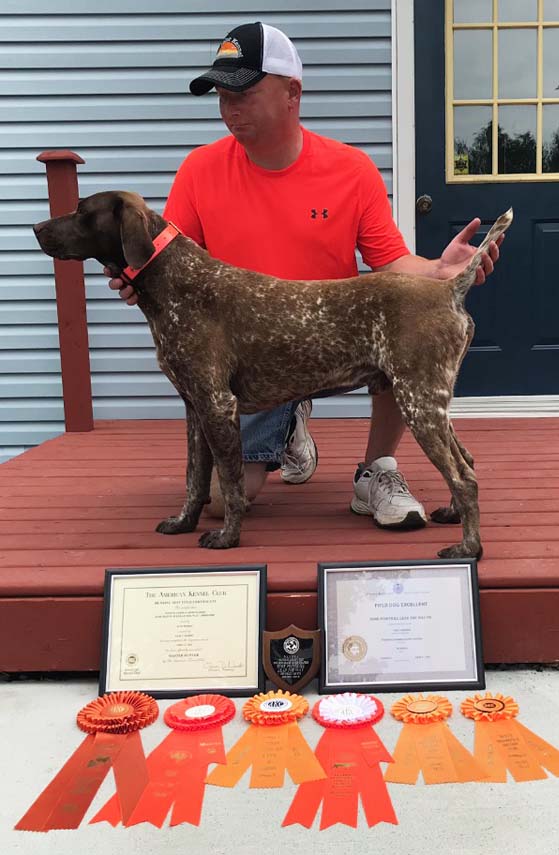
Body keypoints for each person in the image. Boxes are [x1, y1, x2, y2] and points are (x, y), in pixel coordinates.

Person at [106, 22, 502, 527]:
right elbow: (173, 270)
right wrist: (136, 279)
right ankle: (289, 423)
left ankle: (376, 469)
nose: (229, 108)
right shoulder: (198, 171)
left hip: (334, 338)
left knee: (396, 313)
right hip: (251, 352)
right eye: (221, 95)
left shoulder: (351, 169)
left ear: (293, 92)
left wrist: (438, 271)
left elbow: (392, 264)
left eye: (244, 93)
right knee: (224, 502)